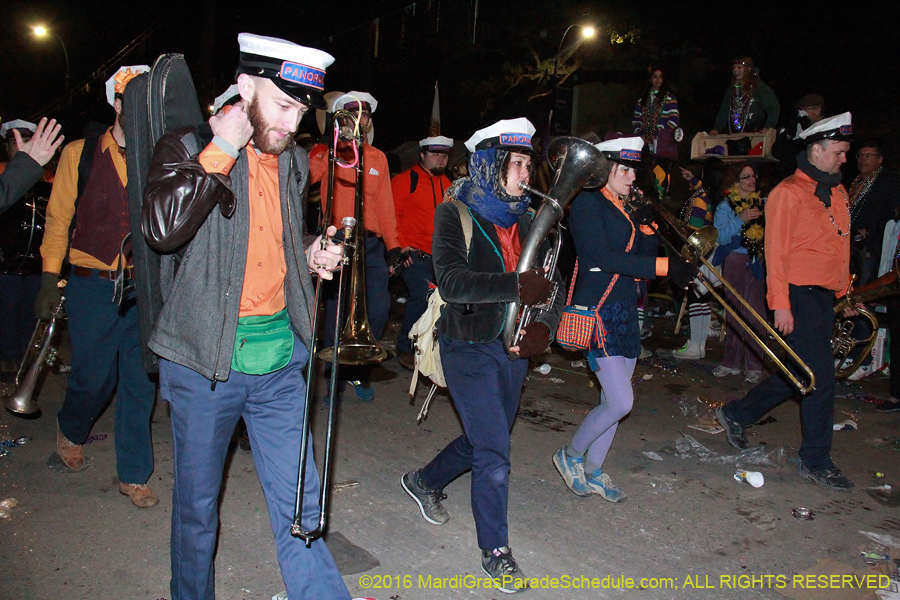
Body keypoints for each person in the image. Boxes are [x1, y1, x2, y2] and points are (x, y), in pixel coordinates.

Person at [141, 33, 351, 600]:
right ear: (245, 87)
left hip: (279, 358)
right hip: (207, 363)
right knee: (197, 512)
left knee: (301, 503)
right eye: (283, 105)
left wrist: (309, 253)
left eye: (301, 109)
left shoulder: (291, 162)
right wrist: (221, 151)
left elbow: (275, 241)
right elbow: (161, 230)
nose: (292, 122)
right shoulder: (185, 144)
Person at [400, 118, 562, 593]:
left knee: (483, 438)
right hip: (466, 342)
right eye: (518, 163)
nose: (527, 174)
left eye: (530, 164)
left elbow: (551, 288)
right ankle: (496, 552)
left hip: (512, 348)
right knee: (495, 450)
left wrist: (543, 331)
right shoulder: (455, 213)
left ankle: (425, 480)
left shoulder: (531, 219)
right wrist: (515, 285)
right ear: (491, 164)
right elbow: (450, 281)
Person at [551, 136, 698, 504]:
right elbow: (603, 256)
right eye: (627, 169)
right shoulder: (586, 203)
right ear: (607, 169)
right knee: (621, 402)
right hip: (597, 308)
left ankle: (595, 469)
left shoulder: (623, 204)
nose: (634, 178)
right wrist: (667, 266)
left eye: (635, 170)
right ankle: (569, 455)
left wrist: (648, 228)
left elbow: (642, 256)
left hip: (624, 309)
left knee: (610, 398)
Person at [37, 65, 159, 507]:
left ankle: (134, 473)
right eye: (132, 98)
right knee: (93, 376)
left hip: (141, 287)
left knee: (140, 380)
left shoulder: (158, 156)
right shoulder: (79, 153)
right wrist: (51, 278)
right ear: (118, 103)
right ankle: (71, 427)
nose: (139, 106)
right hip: (91, 284)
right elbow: (58, 221)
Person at [716, 113, 855, 491]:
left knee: (799, 374)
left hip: (823, 295)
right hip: (797, 294)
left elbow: (838, 246)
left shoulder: (837, 192)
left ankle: (737, 413)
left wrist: (846, 293)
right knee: (818, 379)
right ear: (816, 149)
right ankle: (816, 458)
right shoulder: (787, 193)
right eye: (839, 152)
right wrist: (780, 303)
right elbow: (775, 253)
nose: (845, 158)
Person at [308, 90, 399, 402]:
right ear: (343, 120)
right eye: (353, 116)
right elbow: (305, 177)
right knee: (336, 309)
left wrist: (394, 245)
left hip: (370, 244)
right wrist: (325, 145)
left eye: (365, 116)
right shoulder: (329, 153)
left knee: (379, 306)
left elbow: (385, 205)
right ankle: (334, 373)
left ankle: (358, 367)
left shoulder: (378, 158)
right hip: (336, 240)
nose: (361, 120)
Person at [0, 118, 64, 379]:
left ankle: (24, 365)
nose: (21, 146)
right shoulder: (6, 173)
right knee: (6, 315)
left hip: (34, 263)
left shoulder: (46, 178)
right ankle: (7, 361)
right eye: (15, 141)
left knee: (30, 316)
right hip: (6, 264)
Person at [391, 135, 453, 370]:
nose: (440, 159)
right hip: (413, 253)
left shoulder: (447, 183)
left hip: (440, 255)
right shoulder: (405, 180)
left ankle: (433, 346)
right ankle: (406, 347)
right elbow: (391, 215)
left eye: (444, 155)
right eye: (436, 154)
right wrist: (400, 247)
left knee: (447, 300)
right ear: (422, 155)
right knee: (422, 294)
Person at [710, 161, 767, 383]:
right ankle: (730, 362)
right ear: (735, 182)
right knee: (734, 312)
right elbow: (721, 237)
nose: (752, 180)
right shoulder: (726, 206)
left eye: (753, 176)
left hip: (756, 261)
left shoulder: (763, 204)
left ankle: (754, 365)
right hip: (734, 259)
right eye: (746, 177)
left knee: (756, 313)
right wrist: (740, 220)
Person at [670, 167, 715, 360]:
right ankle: (700, 346)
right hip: (708, 252)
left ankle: (695, 346)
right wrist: (694, 179)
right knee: (703, 299)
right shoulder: (704, 194)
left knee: (697, 299)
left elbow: (693, 228)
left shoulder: (698, 199)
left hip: (698, 252)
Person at [848, 139, 900, 286]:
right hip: (851, 240)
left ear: (880, 159)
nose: (863, 159)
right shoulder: (856, 182)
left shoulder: (887, 182)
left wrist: (869, 229)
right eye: (860, 156)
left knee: (865, 282)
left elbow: (890, 213)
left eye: (868, 156)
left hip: (871, 244)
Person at [0, 118, 63, 212]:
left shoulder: (45, 176)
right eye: (14, 142)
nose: (21, 147)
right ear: (6, 146)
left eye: (26, 142)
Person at [710, 57, 780, 136]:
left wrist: (768, 127)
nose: (735, 70)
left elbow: (774, 108)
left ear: (748, 69)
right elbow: (724, 110)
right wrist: (716, 129)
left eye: (739, 67)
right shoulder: (731, 90)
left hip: (754, 131)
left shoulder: (759, 87)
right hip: (735, 131)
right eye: (734, 68)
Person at [631, 65, 680, 162]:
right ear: (650, 79)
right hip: (645, 144)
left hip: (663, 144)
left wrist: (658, 134)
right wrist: (641, 135)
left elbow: (674, 120)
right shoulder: (642, 100)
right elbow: (636, 120)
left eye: (660, 76)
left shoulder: (669, 98)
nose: (658, 79)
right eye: (655, 76)